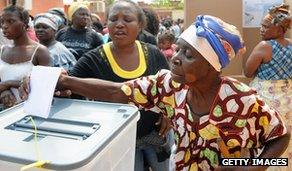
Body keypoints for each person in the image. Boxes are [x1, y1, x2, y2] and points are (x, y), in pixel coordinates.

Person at [21, 15, 290, 171]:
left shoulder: (243, 100)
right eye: (178, 49)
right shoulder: (169, 86)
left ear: (212, 65)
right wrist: (62, 80)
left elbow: (281, 136)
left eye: (188, 55)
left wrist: (254, 165)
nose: (174, 58)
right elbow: (118, 92)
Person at [69, 1, 172, 171]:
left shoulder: (153, 53)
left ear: (140, 25)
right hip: (119, 142)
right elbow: (69, 85)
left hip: (156, 135)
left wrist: (168, 113)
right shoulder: (94, 59)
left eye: (127, 19)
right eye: (113, 19)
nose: (119, 24)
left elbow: (170, 87)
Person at [244, 4, 291, 170]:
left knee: (266, 137)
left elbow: (248, 72)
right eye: (261, 25)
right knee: (285, 140)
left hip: (266, 100)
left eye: (265, 26)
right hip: (288, 102)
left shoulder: (264, 46)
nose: (261, 29)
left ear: (279, 29)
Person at [0, 1, 51, 108]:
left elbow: (45, 85)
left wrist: (8, 84)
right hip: (6, 112)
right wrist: (3, 92)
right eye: (2, 21)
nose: (4, 26)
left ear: (24, 23)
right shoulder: (2, 50)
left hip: (30, 113)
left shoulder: (40, 51)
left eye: (10, 21)